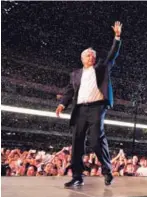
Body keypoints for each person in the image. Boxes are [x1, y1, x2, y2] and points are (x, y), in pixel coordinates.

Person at [55, 21, 122, 187]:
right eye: (88, 55)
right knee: (77, 143)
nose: (91, 57)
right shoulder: (75, 74)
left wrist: (117, 37)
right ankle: (77, 176)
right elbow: (70, 91)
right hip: (80, 110)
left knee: (95, 140)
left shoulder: (101, 68)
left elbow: (112, 54)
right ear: (82, 58)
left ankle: (107, 171)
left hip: (97, 108)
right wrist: (63, 104)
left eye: (93, 55)